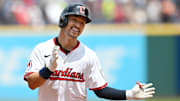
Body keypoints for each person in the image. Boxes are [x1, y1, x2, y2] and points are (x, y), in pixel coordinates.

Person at [24, 4, 155, 101]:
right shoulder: (42, 49)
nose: (78, 25)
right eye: (74, 20)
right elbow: (32, 84)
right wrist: (48, 69)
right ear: (63, 20)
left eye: (82, 23)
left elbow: (100, 90)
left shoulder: (89, 55)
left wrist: (130, 94)